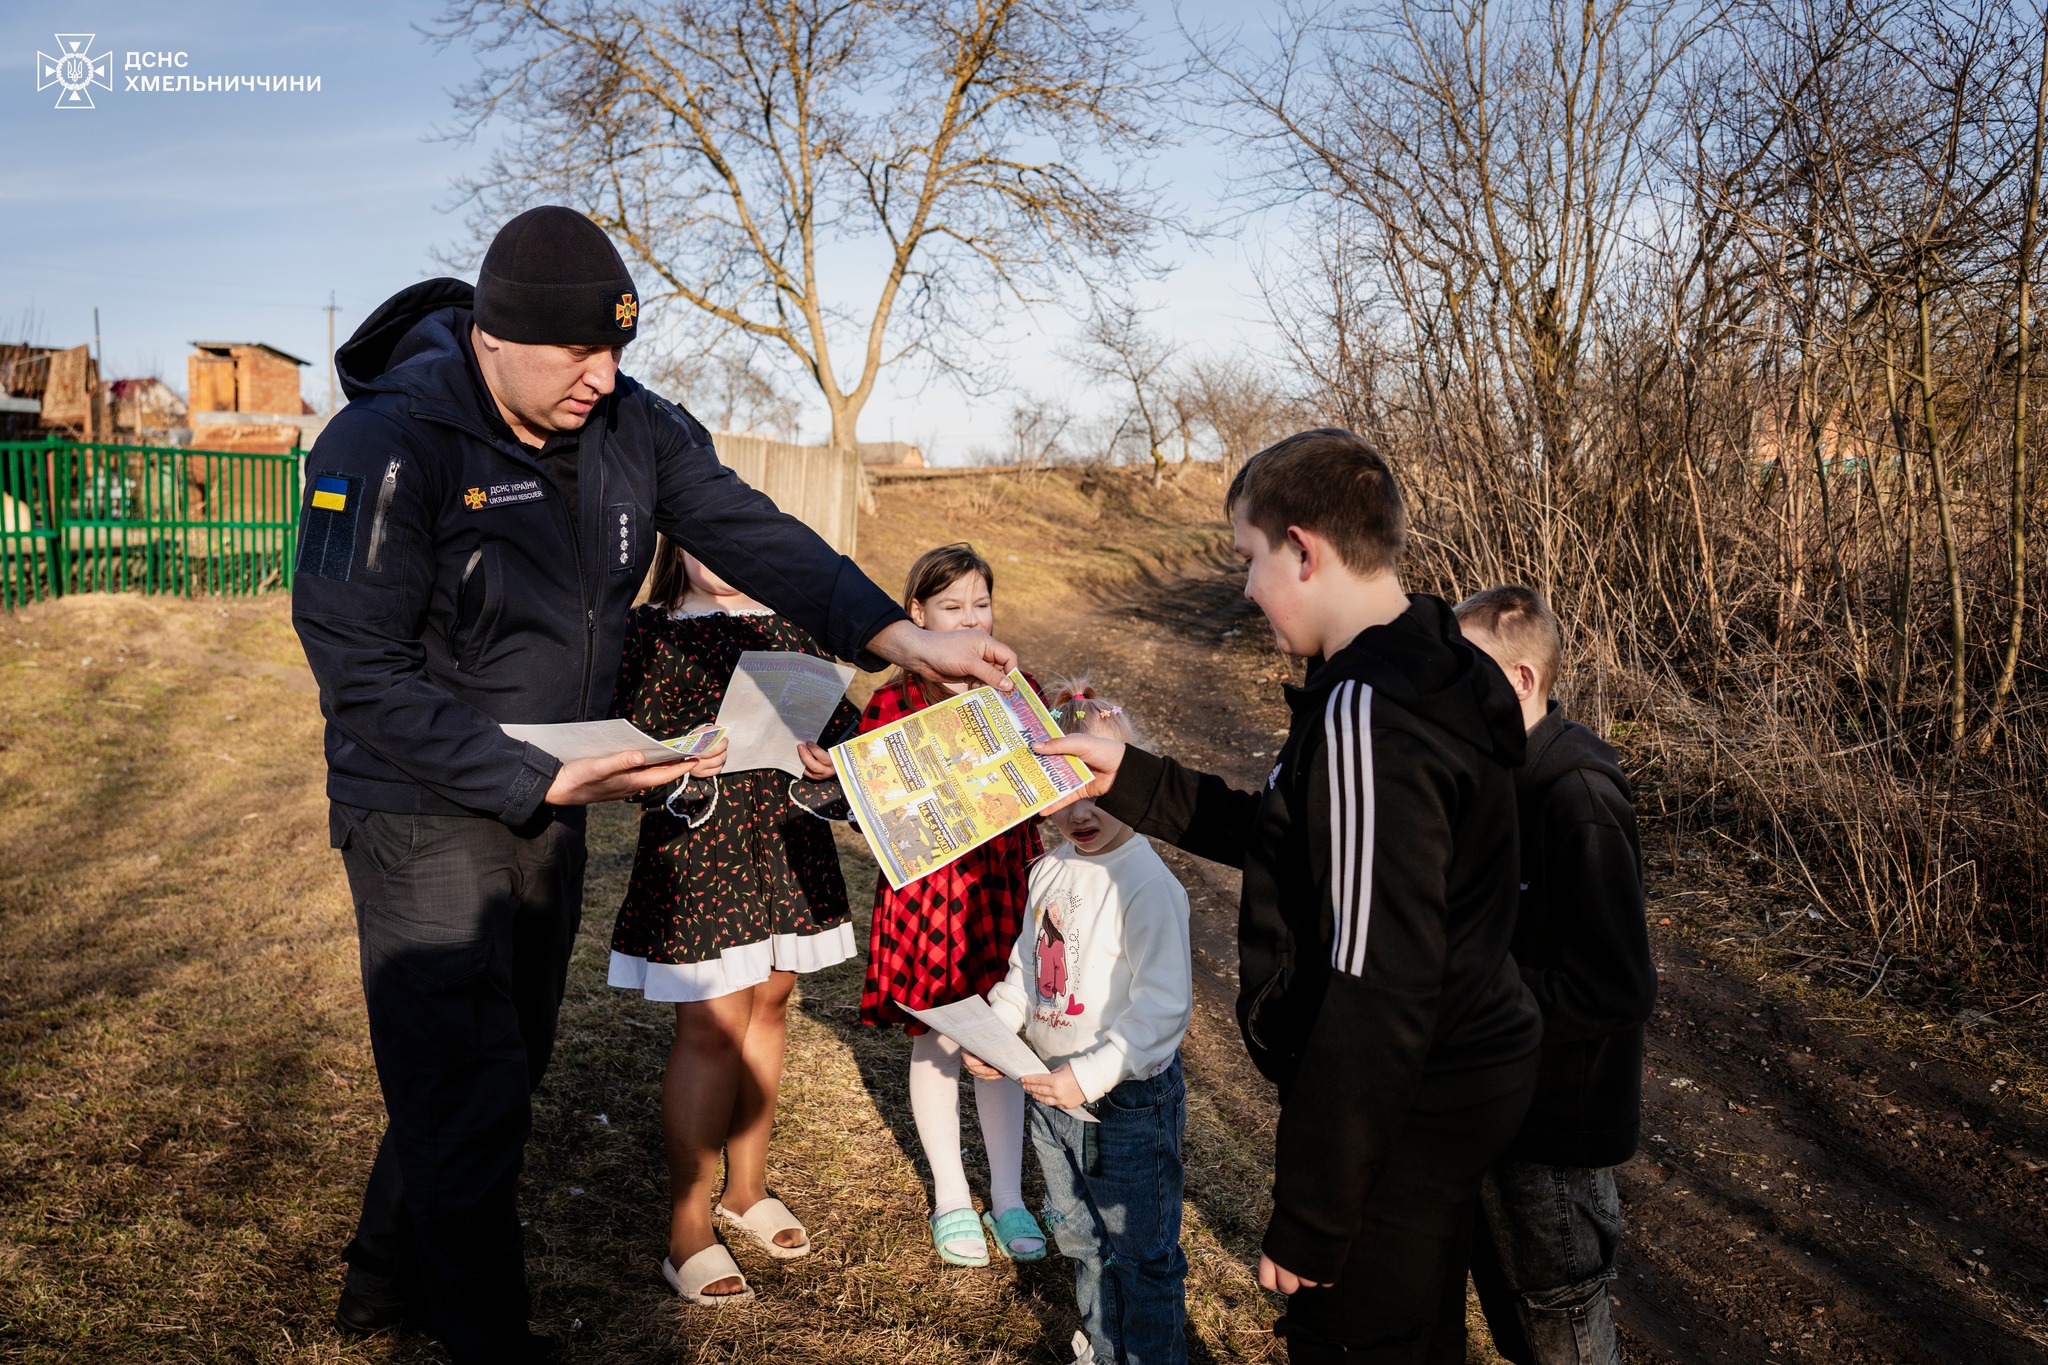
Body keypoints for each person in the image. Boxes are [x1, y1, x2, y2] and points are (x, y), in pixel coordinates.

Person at [293, 206, 1016, 1365]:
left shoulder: (632, 424)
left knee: (500, 1063)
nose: (602, 377)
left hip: (562, 790)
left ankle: (382, 1277)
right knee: (467, 1080)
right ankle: (482, 1333)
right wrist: (530, 772)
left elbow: (753, 530)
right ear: (490, 335)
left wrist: (895, 634)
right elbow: (356, 668)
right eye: (577, 354)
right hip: (420, 801)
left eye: (617, 351)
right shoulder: (382, 445)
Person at [1035, 429, 1543, 1364]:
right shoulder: (1439, 661)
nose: (1245, 587)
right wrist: (1132, 777)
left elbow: (1375, 981)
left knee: (1351, 1339)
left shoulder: (1365, 711)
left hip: (1404, 1099)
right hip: (1459, 1069)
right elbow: (1290, 829)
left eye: (1249, 558)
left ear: (1303, 550)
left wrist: (1314, 1211)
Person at [606, 536, 864, 1304]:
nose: (718, 558)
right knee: (714, 1021)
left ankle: (744, 1190)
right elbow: (623, 743)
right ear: (674, 545)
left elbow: (839, 724)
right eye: (701, 543)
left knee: (771, 1001)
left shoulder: (786, 624)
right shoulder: (650, 627)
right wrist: (678, 758)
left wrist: (829, 756)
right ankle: (687, 1226)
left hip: (783, 841)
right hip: (703, 845)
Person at [1453, 586, 1655, 1365]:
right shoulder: (1492, 778)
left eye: (1466, 674)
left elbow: (1619, 985)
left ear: (1523, 681)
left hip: (1557, 1134)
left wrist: (1479, 995)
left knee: (1563, 1328)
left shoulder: (1579, 797)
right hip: (1501, 1111)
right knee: (1519, 1324)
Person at [969, 685, 1193, 1365]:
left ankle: (1150, 1355)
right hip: (1048, 1093)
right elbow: (1027, 972)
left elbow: (1163, 1006)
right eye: (1062, 793)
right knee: (1079, 1236)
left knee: (1139, 1251)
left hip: (1123, 1100)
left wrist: (1090, 1074)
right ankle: (1102, 1344)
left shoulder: (1147, 885)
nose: (1082, 811)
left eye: (1100, 790)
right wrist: (996, 1034)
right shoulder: (1049, 870)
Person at [853, 543, 1050, 1268]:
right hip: (929, 892)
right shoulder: (890, 701)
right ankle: (949, 1196)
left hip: (1000, 881)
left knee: (1002, 1041)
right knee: (936, 1035)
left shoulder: (1014, 687)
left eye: (981, 604)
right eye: (952, 607)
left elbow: (1046, 776)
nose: (970, 619)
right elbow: (874, 813)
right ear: (918, 616)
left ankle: (1009, 1196)